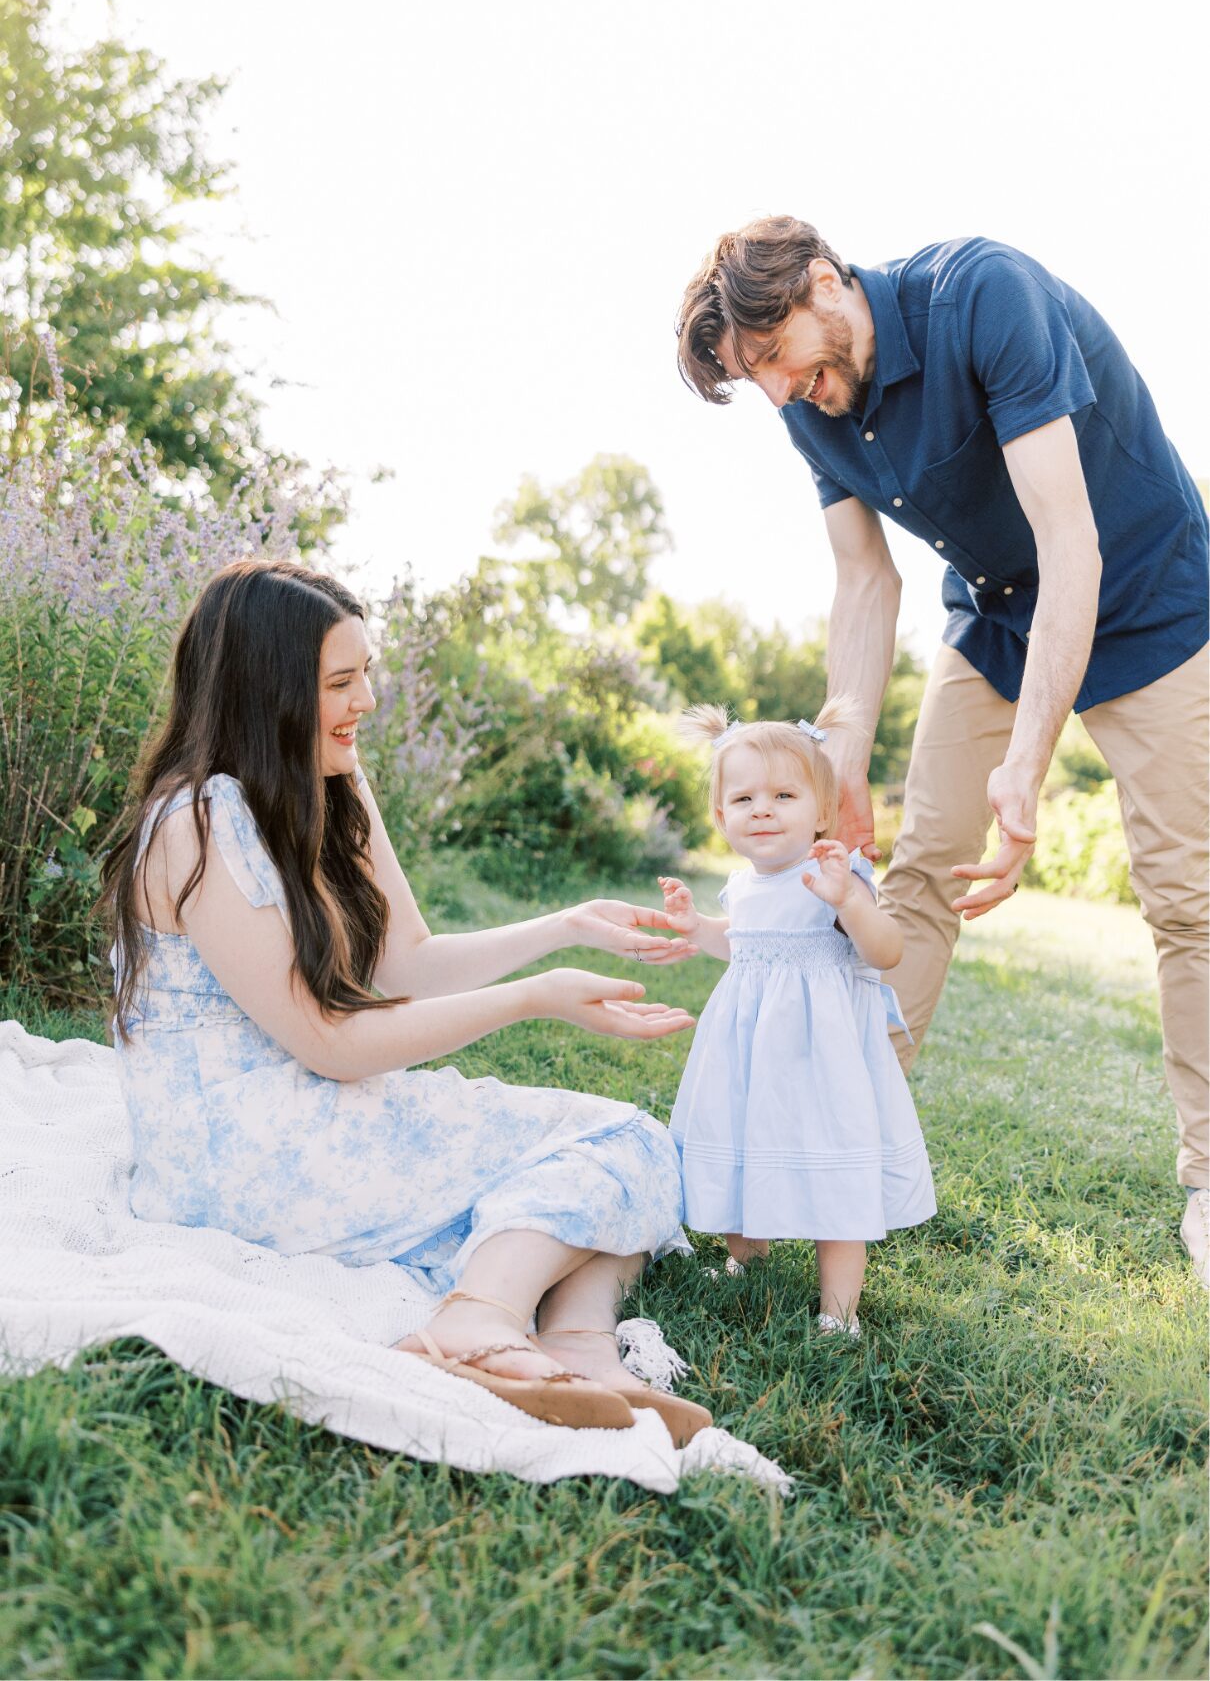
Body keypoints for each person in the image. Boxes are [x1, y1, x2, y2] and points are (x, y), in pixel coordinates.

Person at [676, 219, 1210, 1288]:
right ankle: (837, 1143)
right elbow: (865, 584)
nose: (781, 392)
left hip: (1151, 600)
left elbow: (1072, 541)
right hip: (999, 617)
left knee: (1186, 896)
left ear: (825, 283)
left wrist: (1027, 757)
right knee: (913, 874)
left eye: (775, 357)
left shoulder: (984, 296)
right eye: (757, 377)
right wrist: (841, 761)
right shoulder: (809, 406)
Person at [100, 558, 713, 1443]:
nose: (367, 702)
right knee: (610, 1148)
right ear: (265, 691)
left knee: (634, 1149)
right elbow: (330, 1044)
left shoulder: (330, 780)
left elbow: (411, 962)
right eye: (342, 682)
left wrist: (566, 924)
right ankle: (479, 1321)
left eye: (367, 676)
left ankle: (576, 1348)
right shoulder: (198, 821)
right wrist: (533, 999)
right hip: (237, 1157)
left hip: (307, 1114)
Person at [656, 704, 935, 1335]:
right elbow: (746, 944)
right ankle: (744, 1259)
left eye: (784, 795)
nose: (763, 809)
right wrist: (696, 927)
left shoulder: (833, 876)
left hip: (821, 1062)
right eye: (745, 797)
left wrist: (849, 902)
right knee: (745, 1142)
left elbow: (886, 952)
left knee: (832, 1171)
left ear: (823, 810)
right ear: (720, 815)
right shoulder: (743, 886)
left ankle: (840, 1311)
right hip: (751, 1056)